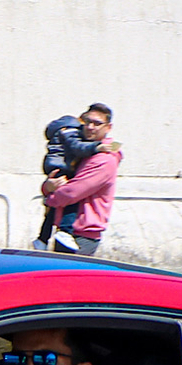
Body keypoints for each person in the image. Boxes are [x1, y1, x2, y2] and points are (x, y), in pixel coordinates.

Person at [40, 103, 120, 255]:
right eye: (88, 122)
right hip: (65, 231)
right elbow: (58, 183)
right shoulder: (82, 152)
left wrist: (49, 197)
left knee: (67, 276)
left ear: (108, 127)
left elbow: (72, 192)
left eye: (97, 123)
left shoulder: (104, 160)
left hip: (82, 235)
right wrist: (48, 186)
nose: (90, 127)